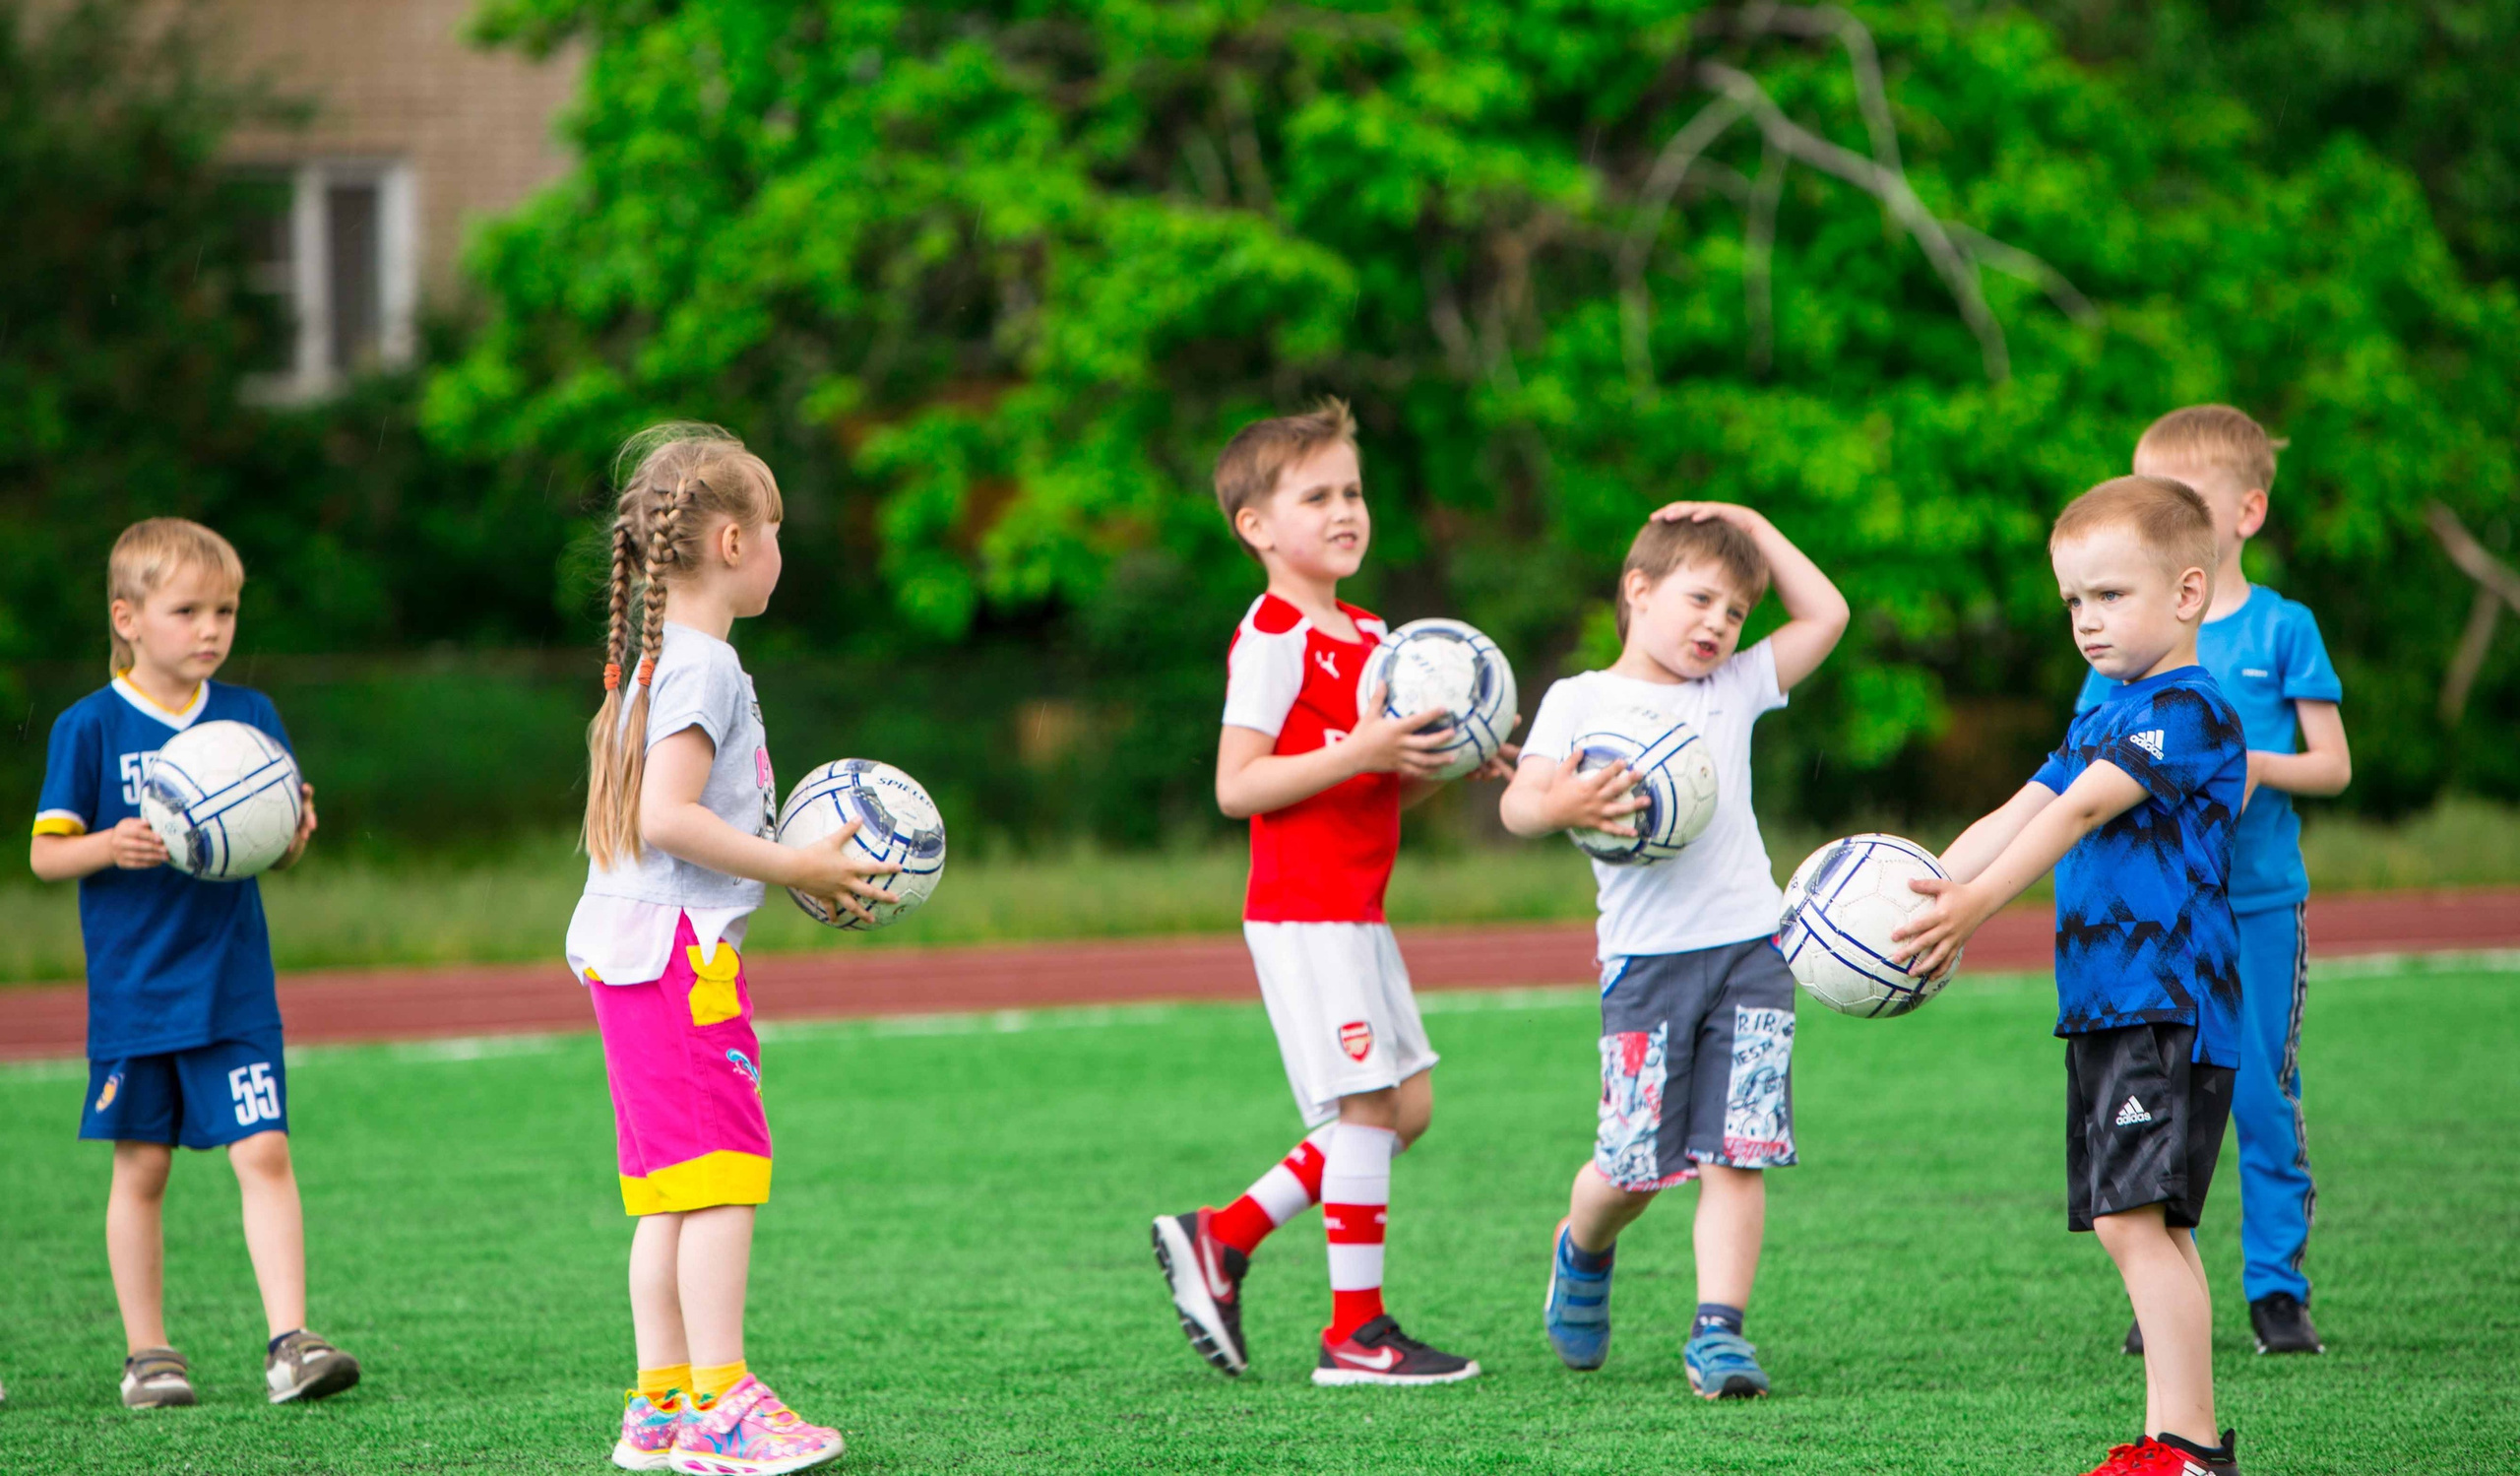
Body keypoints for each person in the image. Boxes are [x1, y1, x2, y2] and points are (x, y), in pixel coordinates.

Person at [1151, 399, 1511, 1386]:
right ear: (1257, 528)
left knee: (1407, 1108)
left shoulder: (1373, 634)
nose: (1345, 510)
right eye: (1316, 495)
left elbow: (1374, 777)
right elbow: (1239, 784)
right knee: (1364, 1112)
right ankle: (1355, 1332)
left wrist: (1451, 758)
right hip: (1304, 910)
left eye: (1352, 490)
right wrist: (1359, 745)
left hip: (1357, 910)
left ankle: (1221, 1233)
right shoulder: (1273, 635)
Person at [1894, 476, 2247, 1475]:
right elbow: (2021, 804)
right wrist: (1919, 891)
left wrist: (1975, 907)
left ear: (2185, 593)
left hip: (2164, 1005)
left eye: (2110, 595)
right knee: (2134, 1222)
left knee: (2133, 1222)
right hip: (2105, 1005)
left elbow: (2076, 814)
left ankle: (2184, 1444)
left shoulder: (2188, 706)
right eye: (2072, 602)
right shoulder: (2107, 709)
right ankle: (2179, 1444)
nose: (2086, 621)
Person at [566, 424, 896, 1473]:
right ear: (731, 539)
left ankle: (659, 1404)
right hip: (678, 960)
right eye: (779, 529)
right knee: (721, 1179)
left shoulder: (661, 661)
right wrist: (794, 867)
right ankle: (723, 1404)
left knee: (669, 1188)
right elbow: (668, 817)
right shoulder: (700, 668)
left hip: (635, 953)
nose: (783, 549)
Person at [1501, 502, 1848, 1399]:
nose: (1717, 625)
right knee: (1634, 1169)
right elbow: (1518, 803)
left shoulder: (1731, 684)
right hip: (1646, 964)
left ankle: (1719, 1331)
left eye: (1734, 612)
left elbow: (1828, 617)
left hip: (1752, 949)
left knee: (1739, 1149)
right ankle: (1582, 1245)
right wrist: (1561, 806)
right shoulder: (1580, 699)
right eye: (1700, 599)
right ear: (1638, 590)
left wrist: (1756, 526)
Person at [30, 518, 354, 1410]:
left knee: (266, 1149)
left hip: (235, 985)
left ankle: (291, 1341)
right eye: (187, 611)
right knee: (142, 1169)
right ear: (127, 618)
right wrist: (110, 843)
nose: (211, 629)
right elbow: (45, 858)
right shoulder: (88, 727)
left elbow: (274, 851)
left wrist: (290, 835)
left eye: (226, 610)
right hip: (137, 996)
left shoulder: (250, 718)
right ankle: (149, 1354)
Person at [2081, 408, 2347, 1358]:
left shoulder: (2282, 627)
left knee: (2263, 1096)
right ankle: (2163, 1282)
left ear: (2247, 510)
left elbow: (2334, 765)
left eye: (2181, 498)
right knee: (2163, 1096)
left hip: (2259, 902)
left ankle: (2277, 1288)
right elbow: (2085, 773)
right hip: (2160, 923)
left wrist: (2245, 766)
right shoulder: (2121, 633)